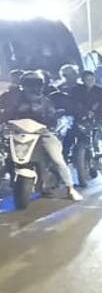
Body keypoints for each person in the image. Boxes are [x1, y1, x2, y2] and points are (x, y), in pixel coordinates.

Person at [0, 71, 81, 200]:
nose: (33, 87)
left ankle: (70, 188)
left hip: (41, 133)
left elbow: (52, 116)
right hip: (17, 133)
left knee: (57, 159)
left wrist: (51, 120)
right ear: (23, 85)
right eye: (29, 84)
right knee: (4, 157)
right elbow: (6, 113)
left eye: (36, 84)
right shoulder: (14, 100)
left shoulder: (45, 101)